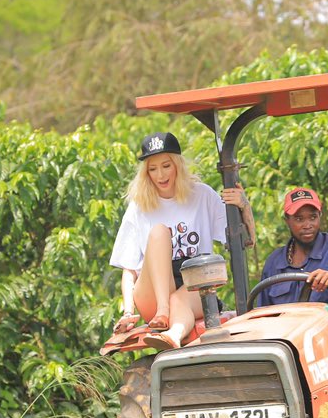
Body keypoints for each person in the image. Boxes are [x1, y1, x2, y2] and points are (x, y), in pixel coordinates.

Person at [109, 131, 255, 350]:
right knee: (159, 232)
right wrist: (128, 312)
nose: (160, 175)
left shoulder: (202, 195)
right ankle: (163, 311)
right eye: (152, 169)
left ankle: (173, 336)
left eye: (166, 166)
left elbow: (247, 241)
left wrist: (244, 206)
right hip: (152, 294)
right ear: (146, 173)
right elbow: (129, 270)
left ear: (177, 164)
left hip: (192, 286)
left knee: (181, 298)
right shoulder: (139, 206)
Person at [259, 187, 328, 364]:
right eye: (299, 219)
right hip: (287, 345)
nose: (307, 225)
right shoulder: (274, 262)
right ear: (287, 220)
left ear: (320, 216)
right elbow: (262, 315)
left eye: (312, 217)